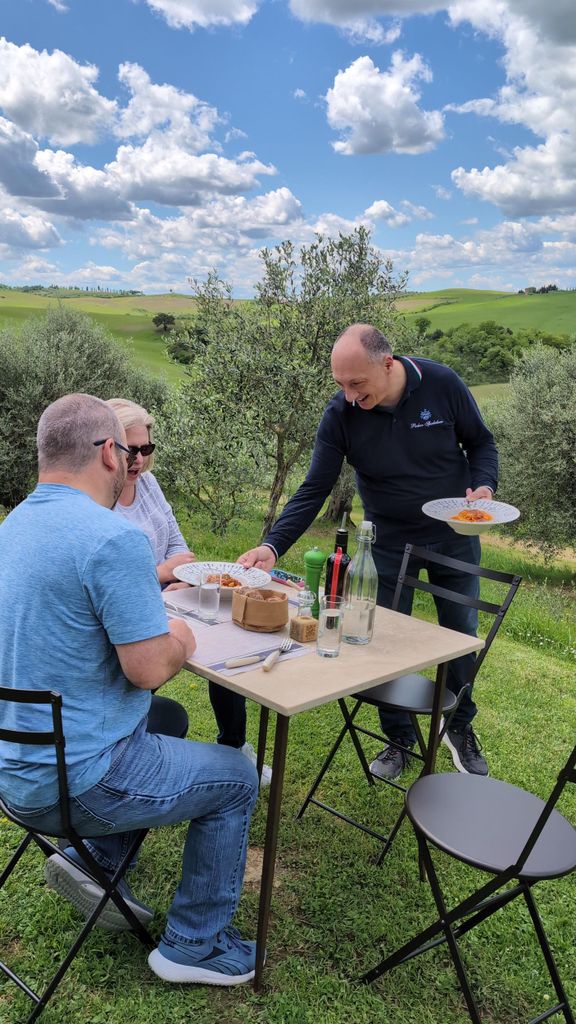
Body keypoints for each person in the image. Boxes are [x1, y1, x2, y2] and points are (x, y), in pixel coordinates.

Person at [0, 393, 259, 986]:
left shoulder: (14, 526)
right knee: (236, 777)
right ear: (108, 453)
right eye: (127, 450)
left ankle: (94, 858)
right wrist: (182, 638)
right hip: (75, 783)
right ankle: (193, 946)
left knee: (165, 718)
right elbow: (148, 668)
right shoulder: (111, 539)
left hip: (13, 768)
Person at [239, 324, 498, 780]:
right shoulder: (341, 413)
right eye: (340, 384)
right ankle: (398, 738)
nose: (349, 395)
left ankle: (459, 727)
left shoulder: (442, 383)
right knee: (381, 641)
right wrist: (272, 544)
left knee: (460, 635)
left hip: (454, 535)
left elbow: (481, 442)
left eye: (357, 383)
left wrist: (484, 486)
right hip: (388, 543)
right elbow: (315, 487)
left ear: (388, 363)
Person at [106, 397, 271, 783]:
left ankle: (234, 745)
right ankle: (127, 748)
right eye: (131, 450)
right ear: (108, 448)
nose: (139, 460)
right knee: (149, 666)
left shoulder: (148, 484)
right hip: (132, 609)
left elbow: (179, 544)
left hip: (170, 595)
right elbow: (112, 580)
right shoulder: (99, 497)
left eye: (147, 448)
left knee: (226, 641)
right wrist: (163, 573)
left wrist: (176, 576)